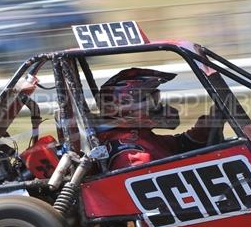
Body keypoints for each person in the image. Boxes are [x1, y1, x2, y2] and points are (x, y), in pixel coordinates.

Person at [95, 67, 226, 170]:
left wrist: (209, 125)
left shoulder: (136, 136)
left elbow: (180, 145)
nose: (160, 107)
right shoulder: (134, 156)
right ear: (129, 109)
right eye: (153, 101)